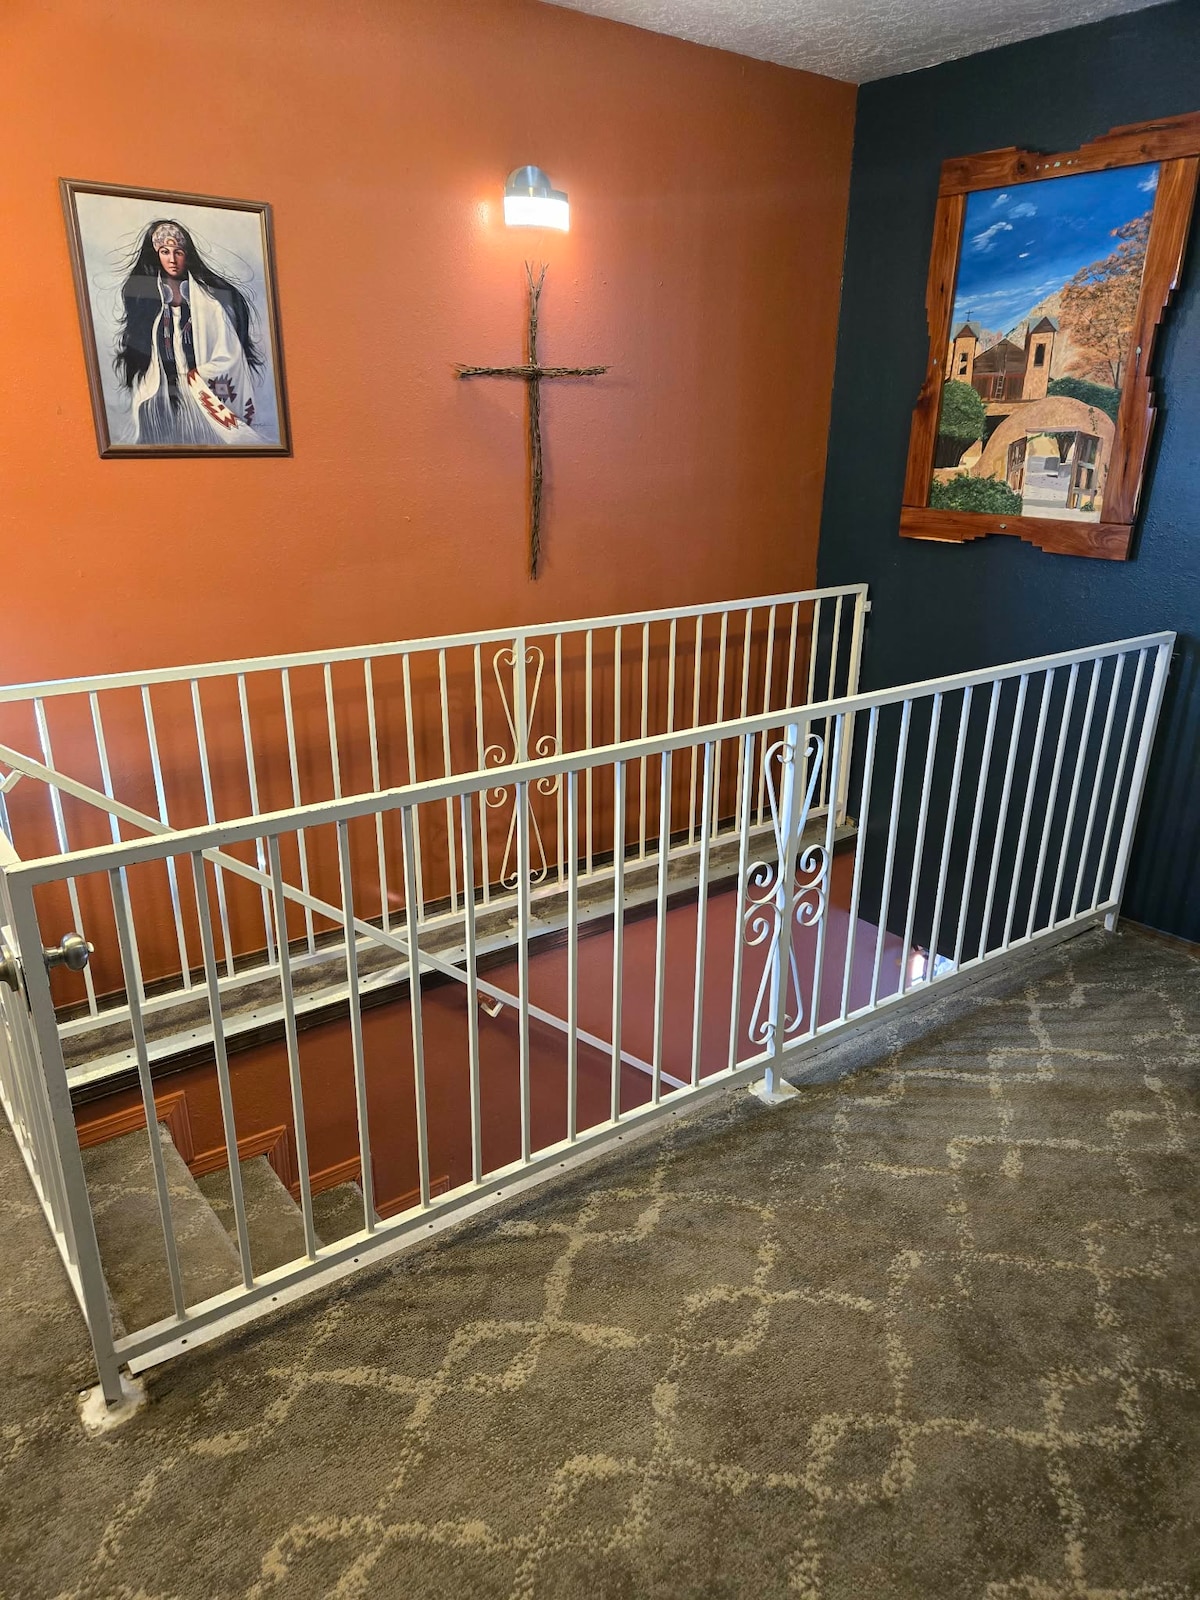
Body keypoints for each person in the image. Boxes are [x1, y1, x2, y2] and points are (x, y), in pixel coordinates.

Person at [115, 219, 265, 446]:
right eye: (165, 252)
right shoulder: (149, 303)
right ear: (156, 255)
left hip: (199, 393)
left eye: (178, 252)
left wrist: (201, 373)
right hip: (161, 397)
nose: (172, 259)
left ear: (187, 255)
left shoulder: (209, 305)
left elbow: (229, 353)